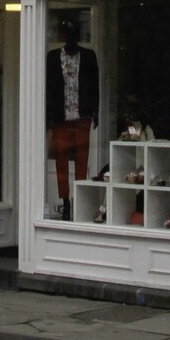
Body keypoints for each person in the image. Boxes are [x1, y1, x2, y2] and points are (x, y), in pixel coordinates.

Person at [44, 16, 99, 220]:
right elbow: (48, 87)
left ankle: (80, 200)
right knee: (61, 160)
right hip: (60, 117)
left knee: (82, 160)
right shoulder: (52, 57)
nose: (71, 38)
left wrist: (95, 110)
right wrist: (48, 114)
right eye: (68, 33)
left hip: (82, 115)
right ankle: (65, 201)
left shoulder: (89, 56)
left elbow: (95, 85)